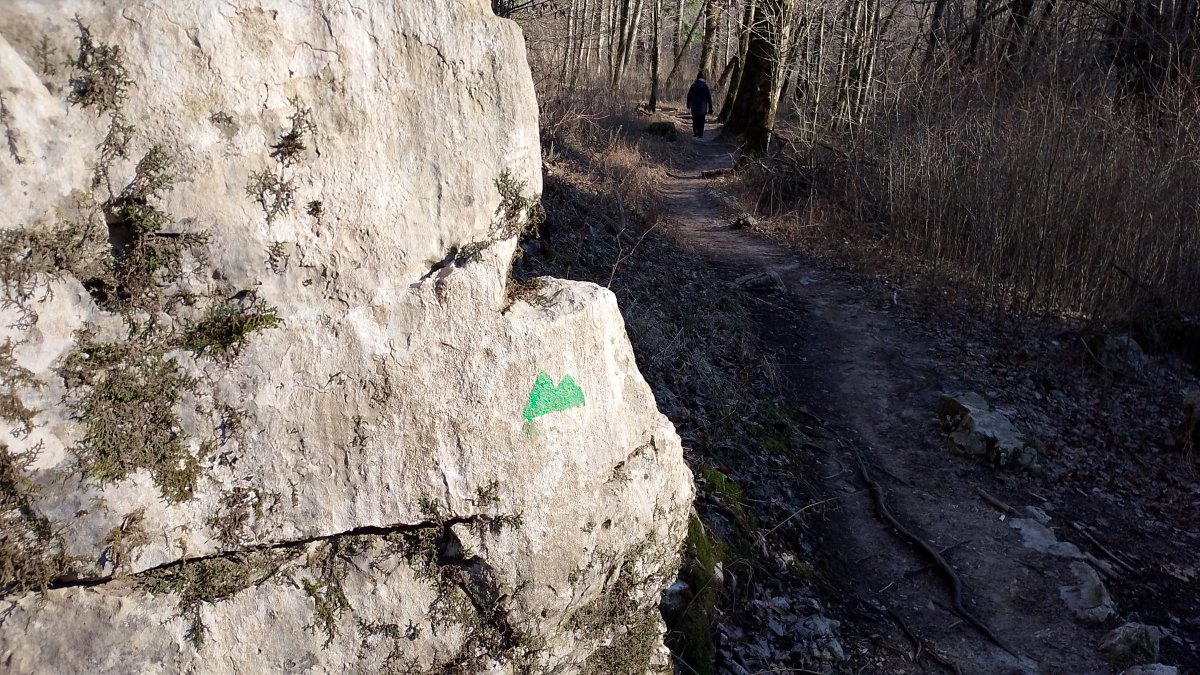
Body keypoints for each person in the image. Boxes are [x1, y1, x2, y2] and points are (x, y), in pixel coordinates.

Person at [686, 72, 713, 139]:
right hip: (703, 108)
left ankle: (696, 133)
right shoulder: (705, 87)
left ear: (697, 78)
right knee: (701, 120)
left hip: (694, 107)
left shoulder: (693, 86)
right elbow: (709, 98)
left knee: (695, 120)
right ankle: (700, 134)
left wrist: (688, 105)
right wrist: (710, 108)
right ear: (703, 78)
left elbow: (689, 96)